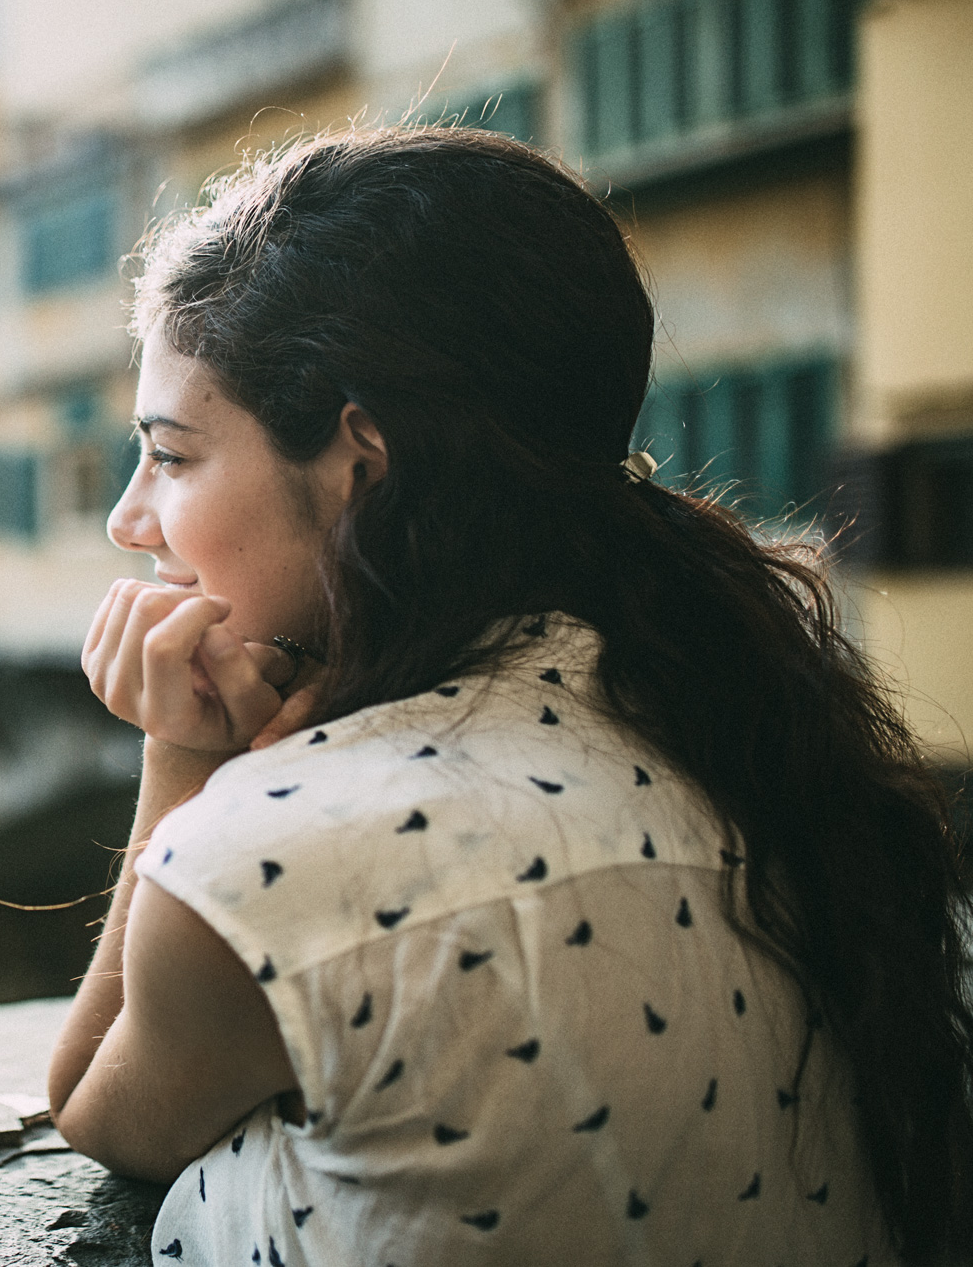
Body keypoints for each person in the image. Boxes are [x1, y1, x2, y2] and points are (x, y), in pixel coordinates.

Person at [47, 126, 973, 1265]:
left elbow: (94, 1106)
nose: (128, 521)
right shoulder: (733, 722)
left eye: (172, 456)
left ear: (358, 468)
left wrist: (181, 763)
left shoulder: (264, 863)